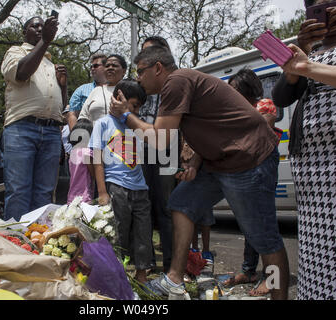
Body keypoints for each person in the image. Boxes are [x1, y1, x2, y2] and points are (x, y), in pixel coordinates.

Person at [110, 46, 290, 300]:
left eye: (140, 71)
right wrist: (195, 161)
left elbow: (160, 139)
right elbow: (211, 125)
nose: (138, 78)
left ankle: (280, 297)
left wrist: (126, 114)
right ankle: (174, 278)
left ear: (158, 68)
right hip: (218, 163)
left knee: (264, 239)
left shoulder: (176, 81)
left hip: (249, 160)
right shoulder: (179, 84)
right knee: (181, 204)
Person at [272, 0, 336, 300]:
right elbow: (281, 97)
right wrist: (301, 53)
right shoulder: (311, 52)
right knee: (316, 257)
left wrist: (308, 66)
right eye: (316, 6)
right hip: (312, 170)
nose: (324, 10)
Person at [221, 68, 282, 294]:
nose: (230, 95)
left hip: (262, 169)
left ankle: (272, 280)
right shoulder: (235, 109)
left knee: (266, 229)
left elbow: (259, 133)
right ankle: (249, 270)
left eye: (234, 90)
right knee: (250, 225)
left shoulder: (264, 104)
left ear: (248, 90)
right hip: (245, 170)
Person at [0, 16, 67, 221]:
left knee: (45, 192)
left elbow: (61, 105)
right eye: (34, 26)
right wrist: (45, 41)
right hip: (22, 128)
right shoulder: (16, 52)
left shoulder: (49, 61)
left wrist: (63, 86)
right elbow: (20, 73)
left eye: (42, 27)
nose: (39, 29)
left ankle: (39, 240)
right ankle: (16, 241)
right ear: (24, 32)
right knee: (19, 190)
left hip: (51, 131)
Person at [89, 79, 153, 284]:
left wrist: (130, 115)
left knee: (143, 232)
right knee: (118, 232)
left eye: (138, 108)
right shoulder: (103, 123)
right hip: (115, 186)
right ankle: (117, 275)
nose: (135, 110)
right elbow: (96, 159)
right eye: (133, 105)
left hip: (140, 187)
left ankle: (141, 274)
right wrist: (102, 192)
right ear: (118, 97)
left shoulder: (137, 124)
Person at [138, 37, 178, 274]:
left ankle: (173, 264)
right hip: (142, 147)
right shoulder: (139, 80)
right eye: (145, 51)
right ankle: (148, 263)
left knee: (167, 206)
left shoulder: (175, 80)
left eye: (153, 51)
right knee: (144, 205)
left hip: (167, 147)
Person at [78, 54, 126, 125]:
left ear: (124, 71)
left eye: (114, 65)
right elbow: (83, 117)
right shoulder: (96, 91)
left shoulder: (129, 90)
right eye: (107, 66)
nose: (110, 68)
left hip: (123, 135)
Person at [66, 53, 107, 130]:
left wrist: (129, 141)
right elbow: (72, 114)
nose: (92, 69)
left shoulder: (117, 89)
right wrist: (76, 138)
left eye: (96, 66)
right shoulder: (81, 90)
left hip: (114, 136)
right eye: (91, 67)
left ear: (106, 67)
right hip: (89, 137)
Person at [67, 118, 94, 204]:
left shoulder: (73, 152)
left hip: (72, 196)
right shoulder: (87, 152)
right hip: (85, 196)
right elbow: (93, 173)